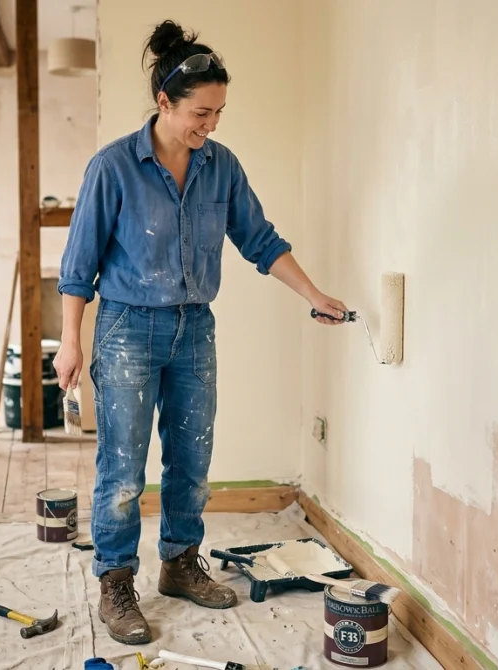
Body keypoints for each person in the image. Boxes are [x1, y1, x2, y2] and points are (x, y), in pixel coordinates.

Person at [52, 19, 349, 645]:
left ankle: (181, 563)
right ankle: (115, 581)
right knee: (123, 469)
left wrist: (314, 295)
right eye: (200, 113)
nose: (210, 125)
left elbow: (259, 240)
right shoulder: (113, 167)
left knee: (191, 460)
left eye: (218, 113)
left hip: (194, 329)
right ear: (164, 102)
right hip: (126, 329)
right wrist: (71, 342)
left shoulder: (222, 167)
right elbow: (78, 267)